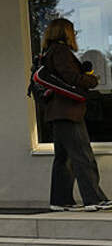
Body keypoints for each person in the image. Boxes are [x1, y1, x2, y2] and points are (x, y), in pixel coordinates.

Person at [41, 18, 112, 211]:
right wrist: (91, 80)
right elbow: (71, 77)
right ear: (66, 32)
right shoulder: (61, 52)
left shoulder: (49, 52)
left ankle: (60, 200)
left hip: (57, 112)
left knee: (64, 158)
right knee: (82, 156)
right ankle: (94, 199)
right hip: (68, 112)